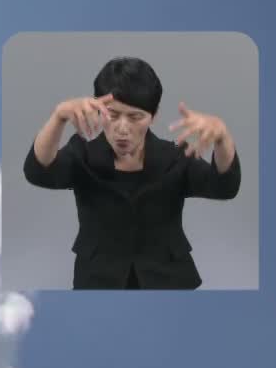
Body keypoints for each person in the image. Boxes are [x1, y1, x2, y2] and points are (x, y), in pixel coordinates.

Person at [22, 55, 241, 289]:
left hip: (170, 279)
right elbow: (38, 171)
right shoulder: (82, 153)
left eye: (136, 117)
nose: (122, 128)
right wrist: (58, 117)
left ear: (153, 116)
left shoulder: (175, 156)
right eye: (112, 115)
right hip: (98, 279)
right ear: (97, 109)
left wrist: (222, 137)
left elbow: (223, 187)